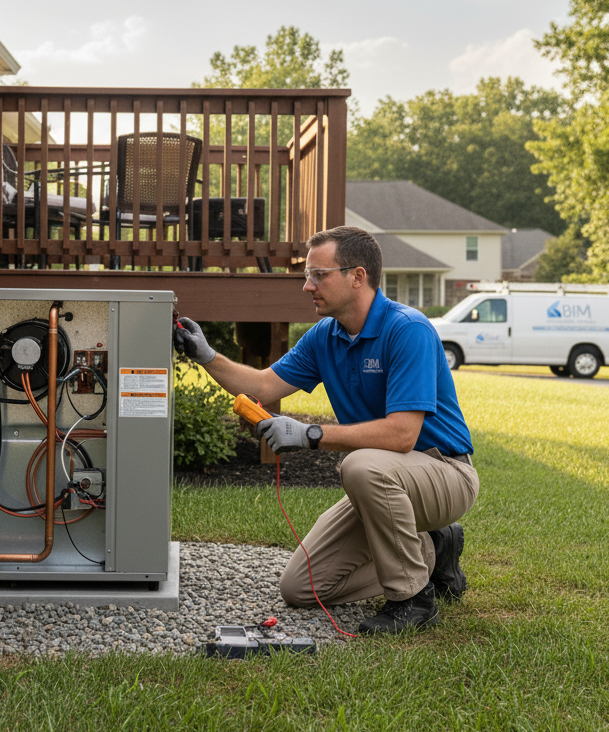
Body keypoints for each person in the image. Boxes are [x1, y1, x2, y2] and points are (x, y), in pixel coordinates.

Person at [173, 225, 478, 634]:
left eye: (319, 275)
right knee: (300, 588)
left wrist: (309, 435)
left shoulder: (408, 329)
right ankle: (432, 550)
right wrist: (206, 355)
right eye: (307, 275)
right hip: (389, 481)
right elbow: (264, 386)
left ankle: (412, 600)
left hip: (445, 473)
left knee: (360, 467)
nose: (307, 286)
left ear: (358, 276)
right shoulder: (325, 337)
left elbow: (403, 435)